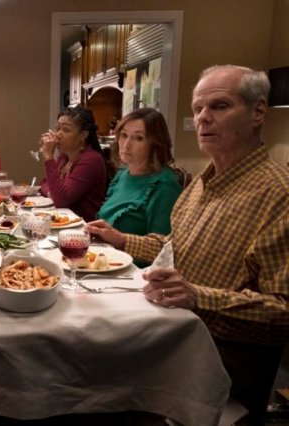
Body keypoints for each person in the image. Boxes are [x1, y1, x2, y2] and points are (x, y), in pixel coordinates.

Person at [87, 65, 289, 425]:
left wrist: (197, 296)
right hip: (171, 328)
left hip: (221, 358)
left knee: (95, 389)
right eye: (198, 109)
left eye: (220, 106)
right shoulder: (201, 184)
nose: (202, 118)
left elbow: (283, 309)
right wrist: (121, 239)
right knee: (81, 355)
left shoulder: (279, 195)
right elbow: (173, 245)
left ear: (258, 112)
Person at [97, 108, 182, 239]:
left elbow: (162, 245)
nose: (126, 145)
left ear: (155, 144)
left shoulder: (164, 185)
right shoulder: (122, 174)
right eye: (124, 135)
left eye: (138, 138)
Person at [37, 105, 106, 222]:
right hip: (64, 222)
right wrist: (52, 193)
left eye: (66, 130)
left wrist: (48, 157)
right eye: (58, 128)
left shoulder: (92, 160)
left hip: (85, 227)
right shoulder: (64, 157)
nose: (58, 134)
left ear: (83, 135)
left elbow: (61, 200)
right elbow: (43, 184)